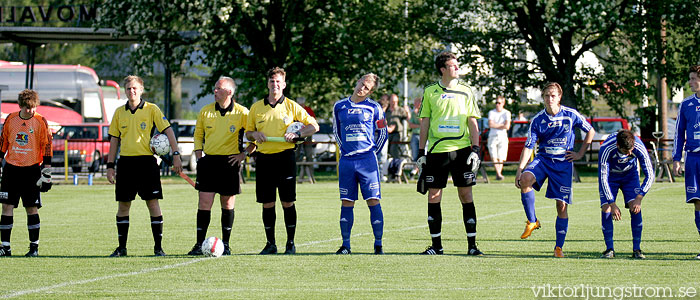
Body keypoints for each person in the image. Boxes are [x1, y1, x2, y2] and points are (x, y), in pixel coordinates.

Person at [515, 82, 595, 258]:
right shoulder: (537, 120)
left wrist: (580, 153)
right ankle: (532, 221)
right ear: (542, 98)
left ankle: (558, 247)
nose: (550, 99)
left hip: (563, 163)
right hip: (543, 160)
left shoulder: (570, 115)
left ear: (559, 97)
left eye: (553, 95)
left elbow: (590, 131)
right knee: (525, 180)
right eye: (546, 96)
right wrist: (520, 169)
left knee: (561, 206)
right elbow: (529, 146)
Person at [106, 75, 182, 257]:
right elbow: (114, 141)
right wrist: (110, 166)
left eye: (134, 88)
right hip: (125, 163)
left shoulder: (152, 109)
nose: (131, 91)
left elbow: (168, 130)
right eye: (128, 89)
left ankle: (158, 248)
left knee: (153, 204)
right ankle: (121, 248)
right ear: (125, 91)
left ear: (141, 90)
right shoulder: (119, 112)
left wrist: (176, 154)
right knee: (123, 206)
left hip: (147, 163)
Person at [245, 67, 319, 255]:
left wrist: (297, 134)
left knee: (287, 201)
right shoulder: (256, 108)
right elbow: (248, 133)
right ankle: (270, 244)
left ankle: (290, 243)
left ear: (284, 84)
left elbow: (314, 126)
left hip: (285, 158)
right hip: (263, 159)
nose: (275, 85)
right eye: (272, 81)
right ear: (267, 83)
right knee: (267, 202)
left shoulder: (292, 106)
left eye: (278, 82)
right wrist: (255, 134)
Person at [415, 51, 483, 255]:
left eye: (457, 64)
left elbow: (473, 121)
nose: (457, 68)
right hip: (437, 152)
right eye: (453, 65)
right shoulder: (430, 92)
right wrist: (421, 152)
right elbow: (425, 122)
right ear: (442, 69)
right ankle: (437, 246)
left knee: (465, 194)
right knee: (434, 195)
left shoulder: (467, 91)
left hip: (461, 151)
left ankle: (472, 246)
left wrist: (476, 149)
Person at [187, 77, 256, 256]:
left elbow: (254, 139)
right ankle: (198, 244)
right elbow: (198, 135)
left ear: (230, 92)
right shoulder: (205, 111)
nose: (215, 91)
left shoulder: (243, 112)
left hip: (229, 163)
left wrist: (244, 154)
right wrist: (198, 156)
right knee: (204, 203)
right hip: (208, 162)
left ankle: (226, 244)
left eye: (219, 88)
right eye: (215, 88)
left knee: (227, 203)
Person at [332, 73, 387, 255]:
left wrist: (371, 153)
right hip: (347, 161)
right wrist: (345, 152)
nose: (362, 89)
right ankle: (346, 245)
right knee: (347, 201)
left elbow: (383, 132)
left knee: (373, 200)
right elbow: (336, 131)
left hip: (367, 161)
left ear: (371, 91)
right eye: (362, 84)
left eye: (367, 88)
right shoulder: (339, 106)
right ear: (357, 82)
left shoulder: (375, 108)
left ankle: (378, 244)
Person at [0, 89, 52, 257]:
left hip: (31, 170)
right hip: (11, 169)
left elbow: (47, 146)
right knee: (6, 206)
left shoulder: (40, 121)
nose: (31, 111)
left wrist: (47, 173)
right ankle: (5, 247)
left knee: (31, 208)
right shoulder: (11, 119)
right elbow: (3, 142)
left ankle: (34, 248)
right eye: (28, 108)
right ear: (20, 105)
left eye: (33, 107)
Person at [598, 129, 653, 259]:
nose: (629, 153)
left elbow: (650, 174)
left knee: (635, 208)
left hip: (630, 176)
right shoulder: (606, 148)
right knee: (606, 208)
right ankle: (609, 249)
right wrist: (612, 203)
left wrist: (639, 198)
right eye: (625, 151)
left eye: (631, 150)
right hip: (611, 177)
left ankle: (637, 250)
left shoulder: (638, 146)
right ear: (618, 146)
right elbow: (603, 178)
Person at [673, 64, 700, 259]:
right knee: (697, 202)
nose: (690, 82)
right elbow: (678, 133)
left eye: (693, 79)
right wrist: (677, 159)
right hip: (692, 158)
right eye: (690, 78)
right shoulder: (686, 104)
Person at [487, 96, 511, 180]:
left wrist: (496, 125)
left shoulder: (506, 113)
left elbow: (507, 126)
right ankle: (499, 174)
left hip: (503, 136)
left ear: (503, 103)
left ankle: (498, 174)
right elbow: (490, 124)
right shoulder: (491, 112)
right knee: (493, 155)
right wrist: (502, 125)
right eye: (496, 103)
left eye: (499, 103)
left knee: (501, 156)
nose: (497, 105)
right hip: (492, 136)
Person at [386, 94, 409, 160]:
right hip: (387, 132)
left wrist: (407, 111)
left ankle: (396, 162)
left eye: (396, 101)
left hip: (397, 133)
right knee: (385, 148)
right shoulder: (386, 110)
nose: (394, 103)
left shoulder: (400, 110)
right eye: (393, 101)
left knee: (394, 148)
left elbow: (408, 118)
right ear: (389, 101)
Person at [408, 96, 422, 176]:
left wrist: (417, 114)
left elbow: (423, 123)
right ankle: (415, 171)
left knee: (422, 154)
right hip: (415, 135)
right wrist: (418, 126)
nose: (415, 104)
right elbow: (411, 125)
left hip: (422, 136)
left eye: (416, 102)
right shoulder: (413, 112)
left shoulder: (423, 111)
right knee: (414, 155)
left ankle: (416, 171)